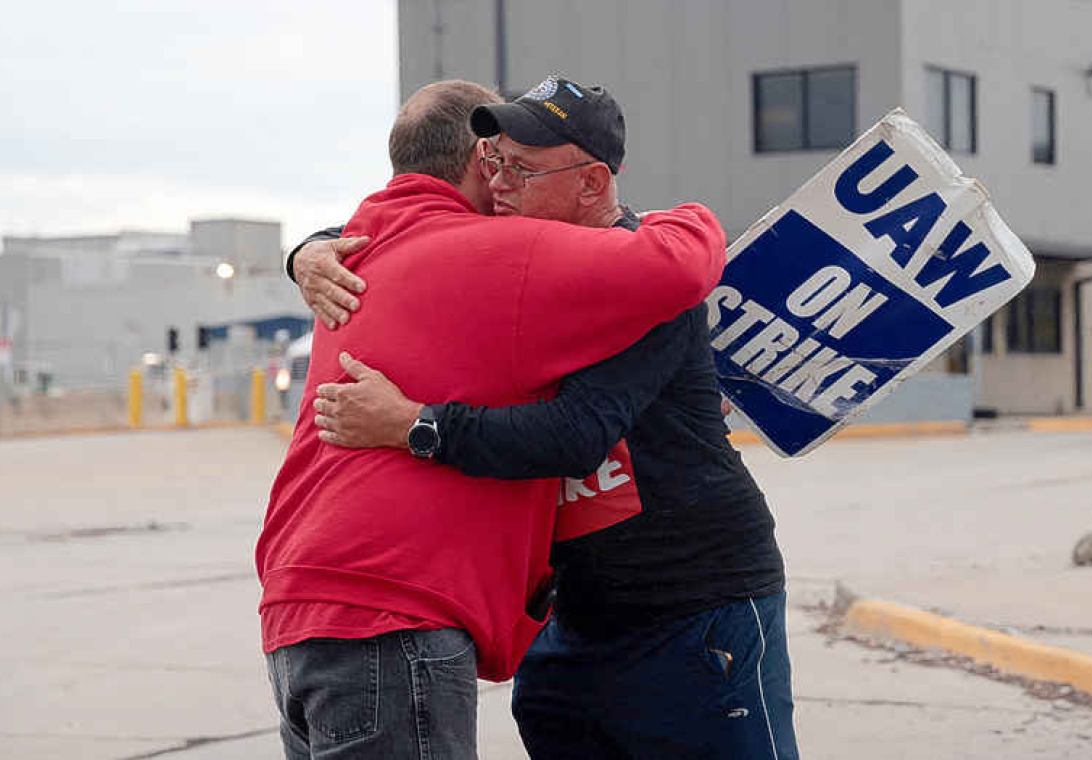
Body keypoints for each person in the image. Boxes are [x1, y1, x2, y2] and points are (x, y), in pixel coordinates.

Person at [295, 76, 798, 759]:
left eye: (521, 169)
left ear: (592, 184)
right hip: (568, 619)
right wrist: (311, 250)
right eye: (494, 162)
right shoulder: (507, 259)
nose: (498, 185)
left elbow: (576, 434)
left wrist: (416, 424)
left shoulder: (641, 276)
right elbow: (408, 223)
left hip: (690, 603)